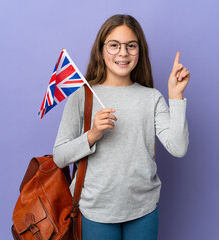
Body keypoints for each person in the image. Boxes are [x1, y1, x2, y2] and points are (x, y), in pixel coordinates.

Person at [53, 14, 190, 240]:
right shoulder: (82, 96)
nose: (123, 53)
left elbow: (178, 147)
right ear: (101, 50)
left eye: (131, 46)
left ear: (140, 51)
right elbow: (60, 156)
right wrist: (92, 134)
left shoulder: (152, 98)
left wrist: (175, 96)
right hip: (95, 211)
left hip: (143, 210)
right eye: (114, 45)